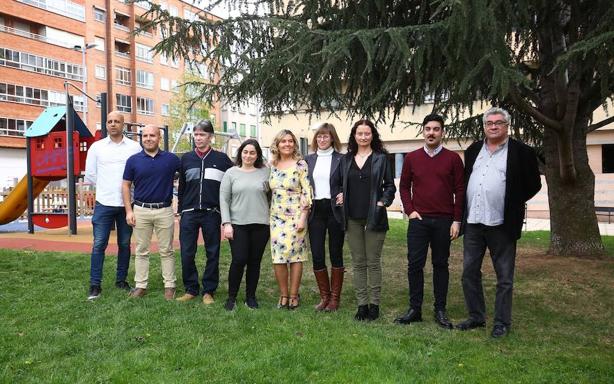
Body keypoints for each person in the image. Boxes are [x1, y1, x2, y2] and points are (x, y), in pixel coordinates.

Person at [457, 107, 541, 338]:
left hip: (502, 224)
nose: (493, 126)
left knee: (504, 277)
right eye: (489, 123)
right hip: (474, 221)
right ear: (484, 126)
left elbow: (534, 184)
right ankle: (476, 317)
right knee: (469, 273)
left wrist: (512, 200)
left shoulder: (522, 151)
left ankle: (502, 323)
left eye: (498, 122)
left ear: (507, 126)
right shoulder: (474, 149)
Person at [394, 114, 465, 328]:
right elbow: (404, 186)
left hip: (444, 221)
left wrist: (457, 220)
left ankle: (440, 310)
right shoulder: (412, 158)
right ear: (423, 132)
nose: (431, 132)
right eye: (428, 129)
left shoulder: (453, 159)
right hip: (419, 221)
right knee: (415, 265)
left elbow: (460, 191)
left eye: (436, 129)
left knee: (440, 264)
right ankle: (415, 309)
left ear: (442, 132)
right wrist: (410, 211)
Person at [335, 119, 396, 321]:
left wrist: (382, 203)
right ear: (354, 135)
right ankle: (362, 306)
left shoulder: (381, 158)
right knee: (358, 262)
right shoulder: (345, 160)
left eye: (367, 133)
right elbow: (335, 183)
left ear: (372, 135)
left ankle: (374, 305)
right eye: (359, 133)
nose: (363, 137)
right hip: (351, 218)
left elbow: (390, 186)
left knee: (373, 262)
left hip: (374, 217)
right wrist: (339, 195)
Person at [84, 111, 141, 300]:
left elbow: (139, 172)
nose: (113, 124)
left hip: (127, 205)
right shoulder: (97, 147)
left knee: (124, 244)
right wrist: (107, 185)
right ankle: (95, 285)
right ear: (106, 125)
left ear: (123, 124)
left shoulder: (134, 147)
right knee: (99, 244)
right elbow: (91, 174)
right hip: (104, 203)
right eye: (110, 121)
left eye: (117, 121)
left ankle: (121, 280)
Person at [176, 120, 233, 304]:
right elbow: (182, 186)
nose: (198, 138)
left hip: (212, 213)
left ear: (210, 137)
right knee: (186, 252)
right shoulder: (186, 159)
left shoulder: (222, 159)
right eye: (196, 134)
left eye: (202, 135)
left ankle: (209, 290)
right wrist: (180, 211)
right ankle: (191, 288)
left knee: (213, 252)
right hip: (189, 213)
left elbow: (232, 183)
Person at [122, 125, 181, 300]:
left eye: (152, 135)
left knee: (167, 250)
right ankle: (141, 286)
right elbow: (125, 185)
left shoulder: (171, 160)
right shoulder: (133, 160)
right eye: (145, 135)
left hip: (164, 210)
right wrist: (128, 211)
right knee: (141, 250)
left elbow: (187, 175)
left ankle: (170, 285)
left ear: (159, 138)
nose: (148, 138)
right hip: (140, 210)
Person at [220, 139, 271, 310]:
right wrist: (226, 223)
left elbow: (273, 196)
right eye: (245, 152)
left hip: (261, 223)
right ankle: (231, 297)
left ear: (257, 155)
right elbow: (224, 200)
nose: (248, 155)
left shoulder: (266, 173)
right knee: (239, 259)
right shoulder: (231, 173)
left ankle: (251, 297)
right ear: (240, 153)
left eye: (252, 153)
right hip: (238, 224)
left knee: (254, 262)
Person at [269, 129, 312, 310]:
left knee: (295, 257)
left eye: (290, 141)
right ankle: (283, 295)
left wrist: (303, 218)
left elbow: (307, 192)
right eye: (283, 141)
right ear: (277, 145)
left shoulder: (300, 164)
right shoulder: (272, 164)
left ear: (294, 144)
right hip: (276, 217)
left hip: (296, 216)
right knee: (278, 257)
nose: (287, 144)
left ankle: (294, 295)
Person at [305, 123, 345, 311]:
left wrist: (345, 192)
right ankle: (324, 297)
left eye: (326, 136)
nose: (322, 139)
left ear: (332, 138)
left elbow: (348, 182)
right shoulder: (308, 160)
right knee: (318, 254)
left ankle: (335, 299)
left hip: (334, 209)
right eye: (319, 136)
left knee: (336, 253)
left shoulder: (342, 159)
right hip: (316, 211)